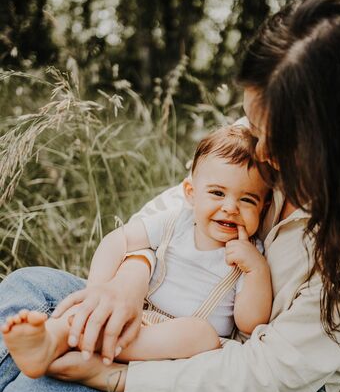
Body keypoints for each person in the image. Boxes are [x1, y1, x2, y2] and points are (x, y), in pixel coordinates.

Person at [0, 0, 340, 392]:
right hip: (159, 321)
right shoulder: (260, 141)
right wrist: (128, 278)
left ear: (334, 148)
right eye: (251, 126)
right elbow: (172, 214)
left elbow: (264, 378)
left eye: (273, 140)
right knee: (27, 286)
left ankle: (29, 386)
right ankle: (36, 367)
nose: (257, 151)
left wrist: (110, 375)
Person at [1, 126, 272, 377]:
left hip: (184, 349)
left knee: (201, 333)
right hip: (137, 317)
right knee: (91, 314)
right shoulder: (175, 223)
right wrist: (98, 291)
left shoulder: (249, 254)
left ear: (263, 207)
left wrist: (256, 270)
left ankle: (96, 348)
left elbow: (249, 323)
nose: (231, 207)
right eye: (217, 193)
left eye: (247, 199)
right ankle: (47, 341)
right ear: (191, 193)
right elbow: (117, 241)